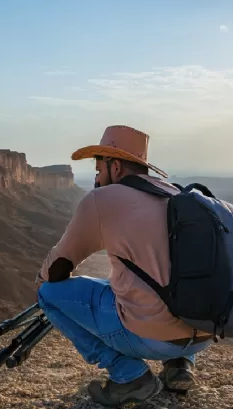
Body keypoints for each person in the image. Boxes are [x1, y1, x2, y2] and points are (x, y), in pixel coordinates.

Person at [34, 125, 213, 406]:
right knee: (158, 276)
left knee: (48, 294)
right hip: (203, 334)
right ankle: (180, 366)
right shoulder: (179, 196)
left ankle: (129, 376)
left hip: (152, 339)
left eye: (98, 167)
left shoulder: (104, 199)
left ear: (115, 166)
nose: (96, 175)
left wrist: (43, 274)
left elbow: (59, 267)